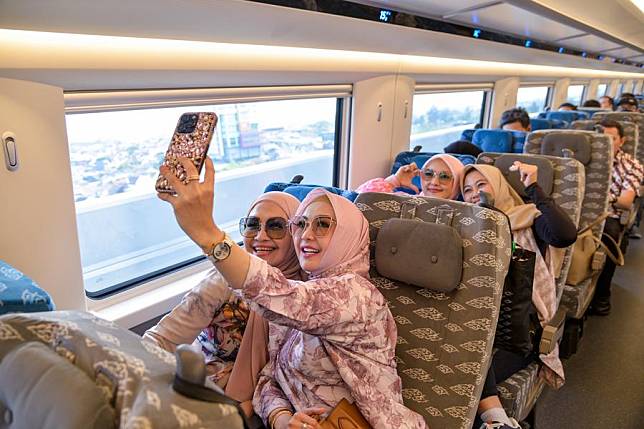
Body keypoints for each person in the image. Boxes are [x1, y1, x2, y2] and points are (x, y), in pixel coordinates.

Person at [157, 157, 427, 429]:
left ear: (347, 236)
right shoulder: (300, 294)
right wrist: (283, 418)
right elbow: (270, 377)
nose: (306, 235)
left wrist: (207, 234)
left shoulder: (356, 295)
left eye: (322, 224)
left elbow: (279, 295)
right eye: (301, 224)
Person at [144, 191, 304, 417]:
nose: (260, 236)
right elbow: (163, 338)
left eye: (276, 226)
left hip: (265, 403)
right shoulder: (224, 280)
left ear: (296, 233)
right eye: (252, 225)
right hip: (204, 387)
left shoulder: (308, 293)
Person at [460, 163, 577, 429]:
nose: (474, 194)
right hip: (475, 324)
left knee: (468, 365)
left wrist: (534, 188)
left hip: (517, 331)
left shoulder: (526, 219)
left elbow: (565, 235)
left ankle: (497, 421)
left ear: (499, 186)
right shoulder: (466, 228)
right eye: (466, 190)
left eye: (481, 185)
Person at [590, 119, 644, 315]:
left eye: (611, 138)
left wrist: (598, 195)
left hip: (608, 215)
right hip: (579, 214)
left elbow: (625, 201)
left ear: (622, 141)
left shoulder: (632, 165)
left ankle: (602, 296)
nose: (606, 143)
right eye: (602, 138)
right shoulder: (582, 162)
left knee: (610, 234)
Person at [356, 153, 464, 200]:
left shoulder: (464, 214)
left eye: (444, 176)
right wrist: (394, 181)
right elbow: (361, 200)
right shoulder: (407, 200)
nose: (434, 182)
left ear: (458, 182)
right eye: (428, 174)